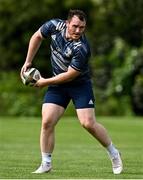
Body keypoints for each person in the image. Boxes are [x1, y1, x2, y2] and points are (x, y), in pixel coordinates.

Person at [21, 9, 123, 174]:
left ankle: (114, 153)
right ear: (67, 23)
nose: (78, 31)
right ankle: (46, 163)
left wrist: (45, 82)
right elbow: (37, 36)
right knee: (47, 121)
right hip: (58, 85)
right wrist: (28, 62)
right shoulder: (54, 26)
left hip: (79, 85)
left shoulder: (82, 47)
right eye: (75, 26)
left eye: (82, 27)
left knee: (88, 123)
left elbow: (69, 75)